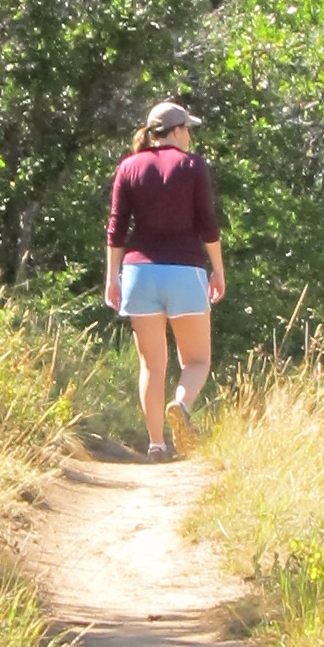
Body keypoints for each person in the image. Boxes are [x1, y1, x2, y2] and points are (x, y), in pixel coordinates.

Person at [105, 97, 225, 461]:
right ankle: (181, 405)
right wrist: (218, 270)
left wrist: (112, 278)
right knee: (197, 361)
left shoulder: (129, 167)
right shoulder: (192, 166)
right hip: (185, 271)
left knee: (151, 365)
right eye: (188, 129)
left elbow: (116, 229)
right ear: (176, 131)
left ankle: (156, 445)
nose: (190, 136)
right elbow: (207, 224)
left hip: (139, 274)